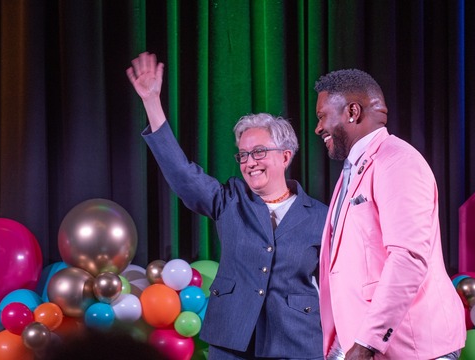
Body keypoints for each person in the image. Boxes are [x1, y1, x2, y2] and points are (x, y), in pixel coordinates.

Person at [126, 52, 328, 360]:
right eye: (243, 155)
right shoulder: (230, 200)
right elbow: (181, 172)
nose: (249, 162)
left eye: (259, 152)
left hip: (297, 342)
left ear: (285, 156)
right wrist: (152, 102)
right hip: (233, 341)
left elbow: (337, 284)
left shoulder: (322, 216)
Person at [313, 69, 466, 359]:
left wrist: (368, 341)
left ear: (352, 112)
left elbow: (408, 258)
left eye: (322, 116)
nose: (318, 128)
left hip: (412, 347)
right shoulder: (356, 167)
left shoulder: (398, 161)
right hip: (367, 344)